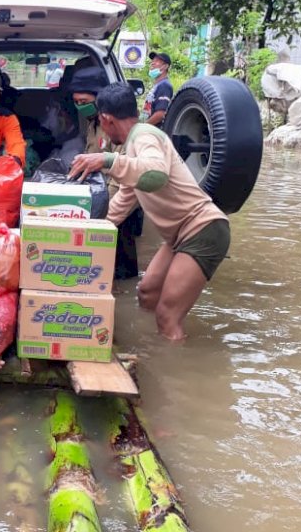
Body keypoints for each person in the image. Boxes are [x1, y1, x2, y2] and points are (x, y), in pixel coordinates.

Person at [68, 84, 230, 341]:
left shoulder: (144, 135)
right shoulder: (132, 147)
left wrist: (106, 160)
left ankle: (176, 372)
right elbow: (123, 201)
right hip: (179, 234)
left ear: (106, 119)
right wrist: (86, 234)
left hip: (203, 228)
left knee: (167, 315)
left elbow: (154, 175)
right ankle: (151, 346)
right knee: (147, 294)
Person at [68, 67, 142, 280]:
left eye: (84, 101)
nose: (80, 107)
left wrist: (101, 220)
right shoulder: (93, 123)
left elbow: (123, 177)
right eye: (77, 102)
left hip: (118, 201)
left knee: (121, 269)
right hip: (101, 197)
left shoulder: (118, 128)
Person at [141, 51, 173, 127]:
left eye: (157, 61)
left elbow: (161, 114)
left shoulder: (164, 86)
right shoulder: (157, 85)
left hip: (155, 131)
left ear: (165, 66)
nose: (152, 63)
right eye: (152, 61)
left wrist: (143, 127)